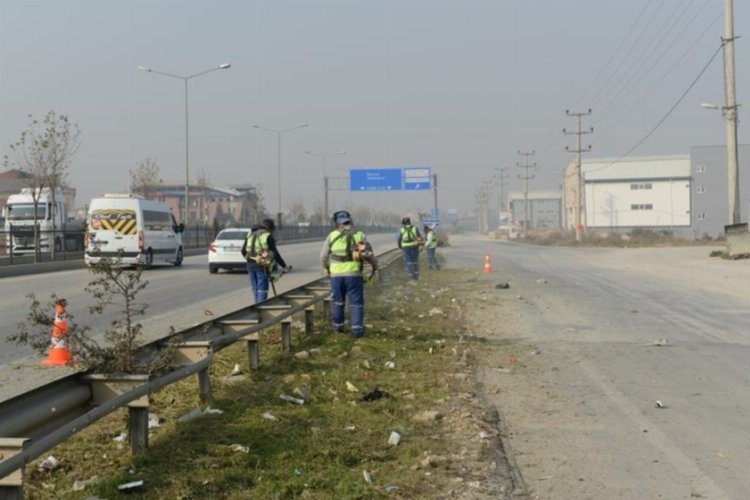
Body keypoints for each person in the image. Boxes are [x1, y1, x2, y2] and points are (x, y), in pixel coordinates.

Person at [320, 210, 377, 338]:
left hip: (336, 276)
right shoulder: (359, 235)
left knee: (338, 302)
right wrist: (375, 266)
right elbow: (369, 254)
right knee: (356, 303)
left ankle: (338, 328)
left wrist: (327, 268)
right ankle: (357, 331)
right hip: (354, 275)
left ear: (336, 223)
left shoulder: (332, 236)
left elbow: (323, 257)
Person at [240, 218, 288, 303]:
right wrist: (284, 266)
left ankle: (256, 307)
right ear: (270, 228)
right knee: (262, 289)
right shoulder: (267, 235)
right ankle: (260, 309)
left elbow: (243, 251)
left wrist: (250, 260)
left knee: (255, 288)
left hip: (250, 265)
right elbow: (274, 253)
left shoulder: (250, 233)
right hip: (261, 266)